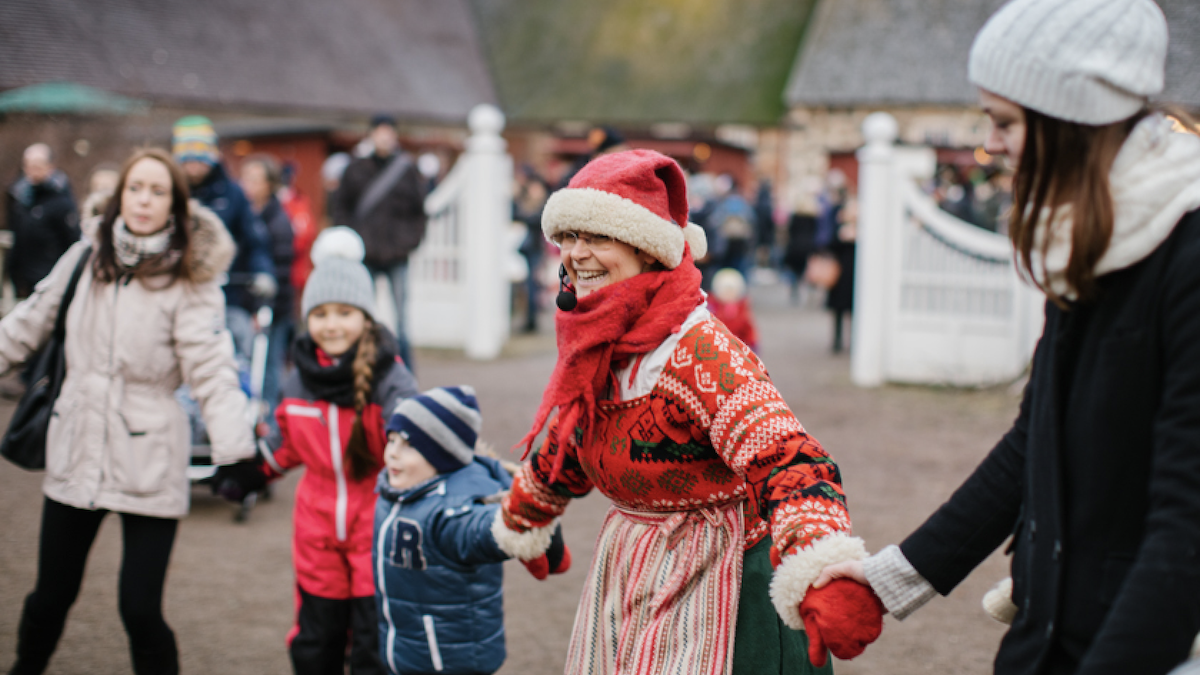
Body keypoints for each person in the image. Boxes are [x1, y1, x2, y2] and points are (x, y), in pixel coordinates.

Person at [813, 1, 1200, 673]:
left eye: (1006, 121)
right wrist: (891, 579)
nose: (989, 143)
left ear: (1071, 121)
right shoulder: (1088, 240)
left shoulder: (1186, 258)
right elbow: (1034, 441)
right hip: (1050, 639)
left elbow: (1186, 532)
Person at [490, 149, 884, 674]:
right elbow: (574, 433)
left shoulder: (699, 351)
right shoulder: (604, 337)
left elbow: (788, 458)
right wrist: (526, 514)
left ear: (648, 251)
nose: (577, 254)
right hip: (632, 567)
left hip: (723, 577)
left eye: (598, 237)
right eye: (568, 237)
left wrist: (824, 570)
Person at [3, 147, 259, 675]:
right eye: (136, 187)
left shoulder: (191, 276)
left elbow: (211, 367)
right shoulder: (85, 255)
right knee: (50, 596)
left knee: (139, 610)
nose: (144, 200)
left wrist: (236, 448)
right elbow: (26, 323)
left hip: (149, 457)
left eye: (158, 191)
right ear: (121, 195)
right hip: (77, 442)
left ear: (175, 205)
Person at [251, 229, 419, 675]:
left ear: (365, 317)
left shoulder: (390, 377)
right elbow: (285, 442)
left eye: (345, 312)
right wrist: (254, 470)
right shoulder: (298, 378)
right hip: (316, 527)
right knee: (316, 640)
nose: (331, 324)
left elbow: (417, 437)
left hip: (377, 525)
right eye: (320, 313)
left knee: (373, 644)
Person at [373, 386, 569, 675]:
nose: (392, 454)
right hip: (406, 650)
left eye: (408, 445)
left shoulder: (453, 512)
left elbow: (483, 531)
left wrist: (518, 518)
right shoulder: (396, 491)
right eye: (391, 441)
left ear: (441, 456)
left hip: (450, 661)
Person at [172, 115, 276, 358]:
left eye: (200, 157)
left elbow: (254, 241)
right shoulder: (170, 192)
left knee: (236, 350)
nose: (194, 165)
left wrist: (264, 273)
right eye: (187, 159)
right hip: (179, 294)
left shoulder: (233, 194)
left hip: (228, 293)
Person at [331, 114, 428, 370]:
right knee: (363, 315)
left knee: (402, 321)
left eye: (389, 132)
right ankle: (364, 367)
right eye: (380, 132)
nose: (384, 137)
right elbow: (340, 209)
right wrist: (353, 243)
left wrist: (408, 243)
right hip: (366, 255)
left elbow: (419, 211)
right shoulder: (355, 169)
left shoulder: (407, 170)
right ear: (371, 135)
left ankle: (406, 372)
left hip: (398, 255)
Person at [239, 154, 296, 414]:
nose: (247, 184)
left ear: (269, 185)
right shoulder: (247, 215)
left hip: (274, 306)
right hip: (254, 303)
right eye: (245, 178)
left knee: (271, 365)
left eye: (254, 180)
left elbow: (280, 271)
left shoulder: (278, 221)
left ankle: (274, 420)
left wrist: (261, 307)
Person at [5, 143, 79, 299]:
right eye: (29, 165)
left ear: (50, 166)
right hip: (24, 280)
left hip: (51, 281)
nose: (33, 170)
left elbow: (72, 242)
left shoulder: (61, 201)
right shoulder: (19, 198)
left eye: (38, 165)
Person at [708, 267, 759, 353]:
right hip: (717, 347)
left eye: (731, 290)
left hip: (739, 349)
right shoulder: (711, 307)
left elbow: (749, 329)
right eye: (725, 290)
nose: (728, 294)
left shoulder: (742, 308)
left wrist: (753, 345)